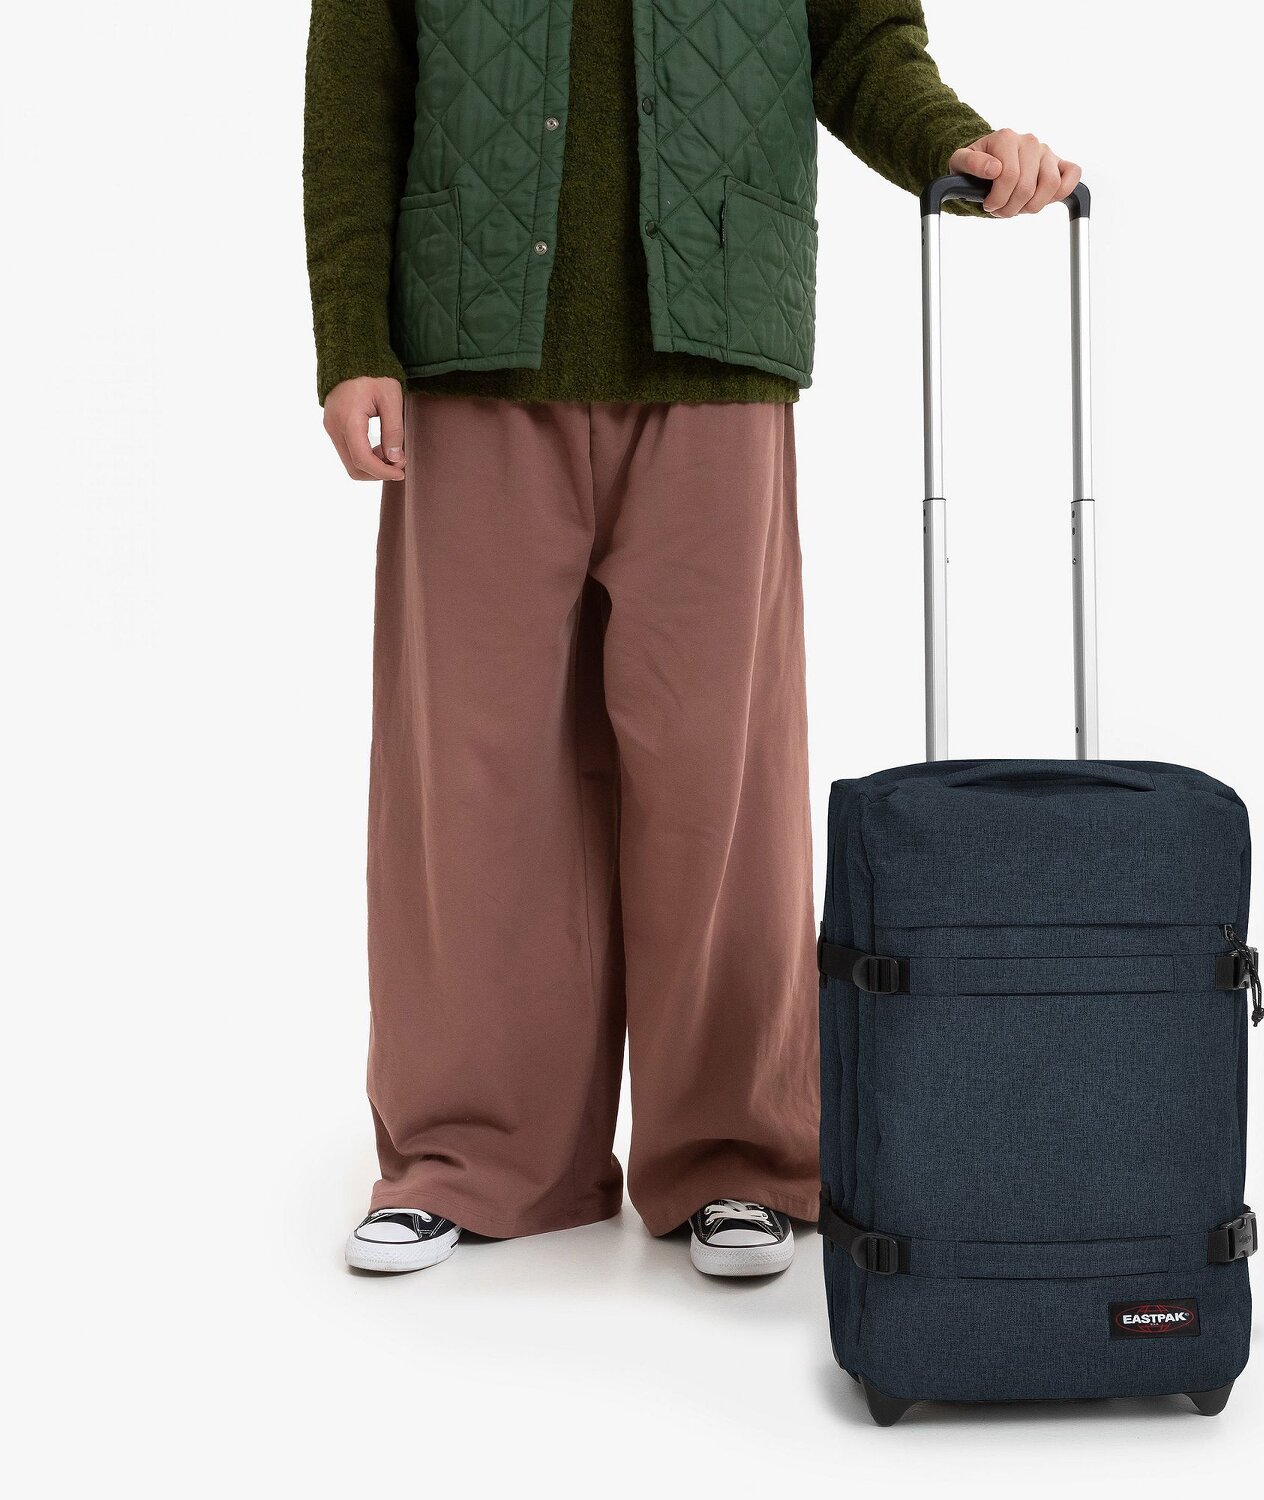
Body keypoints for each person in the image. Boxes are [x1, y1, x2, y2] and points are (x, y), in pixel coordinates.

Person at [304, 0, 1080, 1278]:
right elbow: (355, 91)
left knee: (722, 779)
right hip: (469, 347)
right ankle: (470, 1156)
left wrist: (954, 140)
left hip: (717, 342)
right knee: (469, 785)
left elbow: (861, 40)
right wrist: (352, 339)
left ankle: (737, 1157)